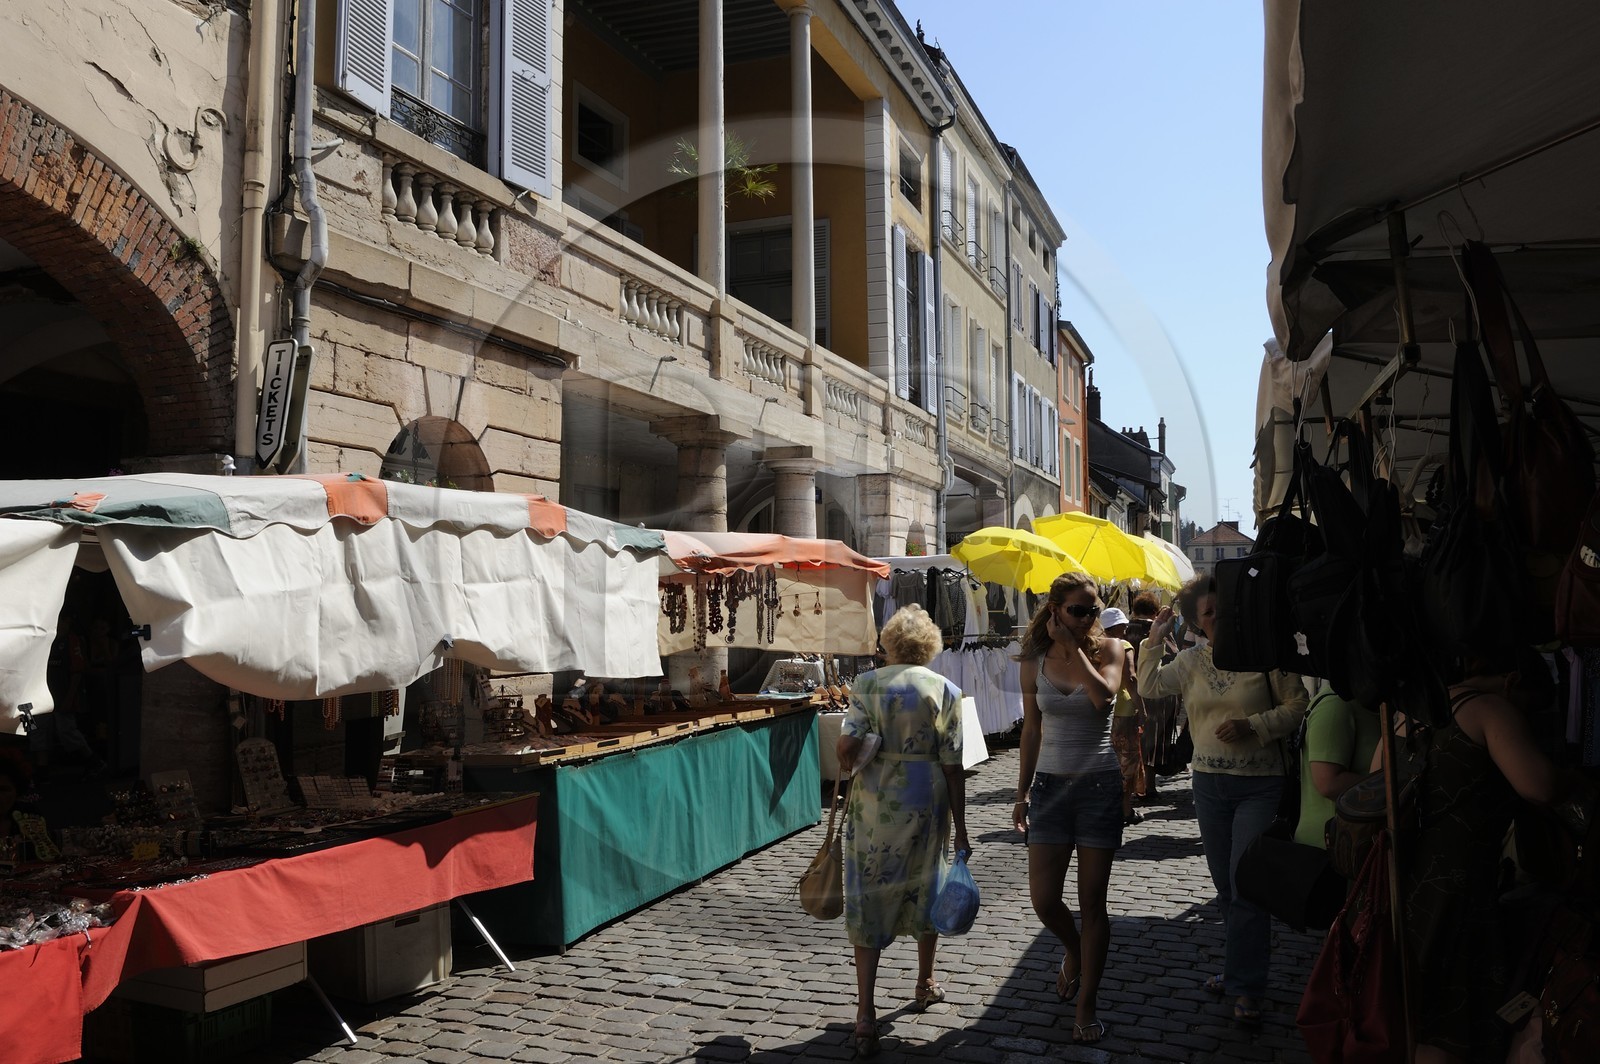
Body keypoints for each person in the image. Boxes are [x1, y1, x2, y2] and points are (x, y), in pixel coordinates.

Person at [1392, 648, 1587, 1064]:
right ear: (1512, 681)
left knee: (1412, 1010)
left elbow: (1378, 787)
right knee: (1447, 1020)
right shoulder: (1491, 710)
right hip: (1455, 888)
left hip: (1403, 881)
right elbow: (1540, 786)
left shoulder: (1415, 708)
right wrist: (1575, 781)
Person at [1138, 575, 1308, 1026]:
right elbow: (1150, 687)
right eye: (1209, 613)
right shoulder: (1192, 661)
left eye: (1223, 609)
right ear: (1197, 622)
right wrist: (1152, 641)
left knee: (1246, 884)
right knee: (1226, 888)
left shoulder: (1265, 653)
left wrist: (1254, 725)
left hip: (1260, 783)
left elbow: (1297, 705)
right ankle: (1238, 970)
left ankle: (1248, 987)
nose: (1219, 618)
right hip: (1209, 786)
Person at [836, 604, 968, 1059]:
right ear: (928, 646)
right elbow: (955, 767)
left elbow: (848, 747)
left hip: (875, 804)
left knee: (870, 892)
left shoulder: (868, 684)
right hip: (927, 800)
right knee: (926, 884)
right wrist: (964, 830)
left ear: (889, 643)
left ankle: (866, 1014)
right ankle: (924, 982)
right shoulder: (947, 688)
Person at [1012, 572, 1126, 1045]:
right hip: (1050, 788)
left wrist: (1077, 647)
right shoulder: (1033, 660)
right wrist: (1020, 793)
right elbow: (1031, 731)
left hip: (1098, 785)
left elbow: (1104, 701)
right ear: (1055, 608)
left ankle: (1086, 1004)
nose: (1087, 618)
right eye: (1078, 609)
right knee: (1043, 900)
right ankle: (1075, 952)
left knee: (1093, 903)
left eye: (1093, 610)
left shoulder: (1111, 651)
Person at [1292, 683, 1379, 850]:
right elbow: (1328, 783)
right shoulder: (1336, 704)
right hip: (1331, 846)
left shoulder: (1363, 704)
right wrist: (1390, 787)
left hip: (1355, 839)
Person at [1099, 607, 1147, 826]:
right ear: (1115, 627)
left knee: (1106, 761)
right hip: (1125, 710)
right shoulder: (1123, 645)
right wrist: (1142, 708)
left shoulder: (1093, 646)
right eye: (1123, 625)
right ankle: (1125, 809)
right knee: (1128, 761)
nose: (1126, 628)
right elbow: (1131, 678)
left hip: (1103, 710)